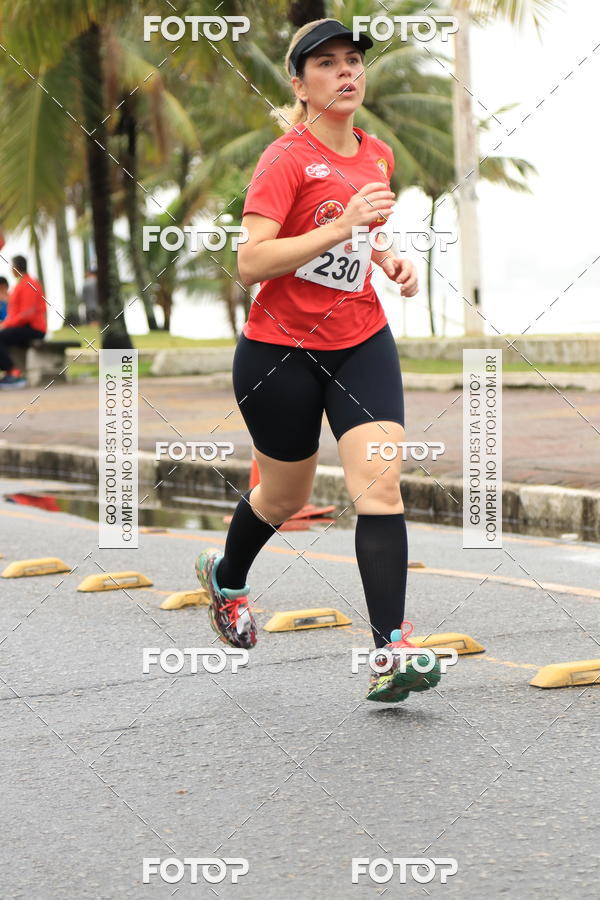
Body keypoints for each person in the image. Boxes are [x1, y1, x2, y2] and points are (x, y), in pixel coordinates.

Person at [195, 18, 442, 703]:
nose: (346, 73)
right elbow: (250, 263)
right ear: (299, 84)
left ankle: (390, 649)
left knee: (379, 486)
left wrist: (386, 256)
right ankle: (228, 577)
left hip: (360, 340)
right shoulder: (282, 159)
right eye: (327, 64)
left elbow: (363, 233)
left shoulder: (378, 154)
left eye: (353, 61)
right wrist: (336, 226)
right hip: (279, 353)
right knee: (285, 496)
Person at [0, 256, 47, 389]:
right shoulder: (21, 283)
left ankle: (14, 374)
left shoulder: (29, 284)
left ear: (15, 268)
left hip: (33, 328)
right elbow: (16, 313)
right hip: (24, 327)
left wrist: (5, 325)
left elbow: (27, 315)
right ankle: (10, 373)